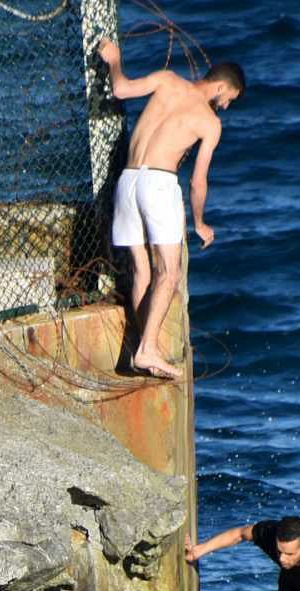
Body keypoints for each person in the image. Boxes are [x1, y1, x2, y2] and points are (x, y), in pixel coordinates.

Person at [97, 38, 244, 380]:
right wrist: (200, 223)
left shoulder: (166, 79)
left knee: (141, 272)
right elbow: (198, 182)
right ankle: (148, 349)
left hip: (128, 181)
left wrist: (115, 59)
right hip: (159, 185)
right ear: (221, 85)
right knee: (169, 273)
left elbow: (119, 89)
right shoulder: (209, 122)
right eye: (228, 99)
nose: (224, 106)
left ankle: (144, 346)